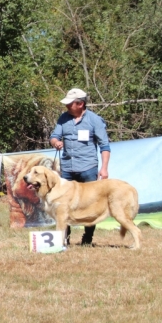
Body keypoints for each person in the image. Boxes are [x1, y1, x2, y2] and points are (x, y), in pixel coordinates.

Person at [50, 88, 111, 246]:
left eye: (71, 104)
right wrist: (56, 142)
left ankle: (87, 238)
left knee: (90, 205)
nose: (67, 106)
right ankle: (64, 239)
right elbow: (54, 136)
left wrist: (104, 168)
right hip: (67, 169)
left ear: (81, 104)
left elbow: (105, 146)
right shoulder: (63, 118)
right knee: (63, 205)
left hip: (88, 168)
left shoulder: (95, 120)